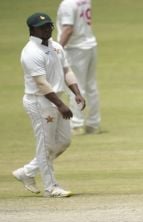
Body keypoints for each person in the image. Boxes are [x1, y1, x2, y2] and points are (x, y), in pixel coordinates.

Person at [12, 12, 85, 197]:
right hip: (39, 102)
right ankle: (51, 187)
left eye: (49, 26)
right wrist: (61, 105)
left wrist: (77, 92)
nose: (47, 29)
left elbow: (66, 70)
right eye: (42, 27)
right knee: (45, 146)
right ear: (32, 29)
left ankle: (26, 172)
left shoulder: (56, 46)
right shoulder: (31, 53)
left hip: (56, 99)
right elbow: (42, 84)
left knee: (63, 142)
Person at [57, 0, 100, 135]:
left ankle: (76, 124)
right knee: (91, 86)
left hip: (75, 48)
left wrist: (58, 49)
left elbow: (68, 29)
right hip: (90, 45)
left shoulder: (67, 4)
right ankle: (94, 124)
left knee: (75, 86)